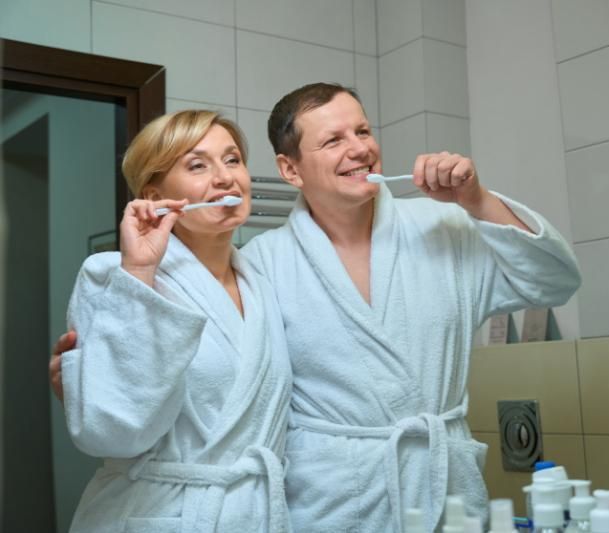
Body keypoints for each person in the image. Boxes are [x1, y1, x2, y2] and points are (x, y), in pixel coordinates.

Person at [53, 83, 581, 532]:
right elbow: (122, 418)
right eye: (333, 140)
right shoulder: (259, 263)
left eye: (364, 131)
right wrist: (94, 377)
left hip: (406, 489)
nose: (358, 149)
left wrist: (476, 199)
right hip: (289, 504)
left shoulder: (262, 273)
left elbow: (554, 280)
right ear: (290, 169)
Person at [57, 110, 293, 532]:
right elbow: (110, 430)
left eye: (233, 159)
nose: (225, 178)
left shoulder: (263, 284)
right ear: (153, 193)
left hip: (254, 513)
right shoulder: (111, 275)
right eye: (198, 165)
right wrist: (140, 272)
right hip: (156, 515)